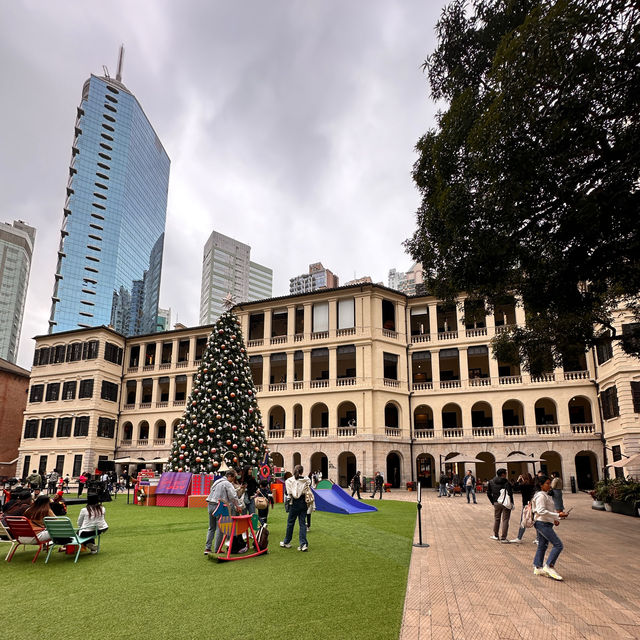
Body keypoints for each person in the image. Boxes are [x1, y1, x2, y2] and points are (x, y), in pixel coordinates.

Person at [532, 474, 568, 580]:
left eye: (549, 483)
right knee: (558, 545)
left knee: (542, 545)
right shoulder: (541, 496)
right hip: (541, 523)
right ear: (541, 485)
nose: (549, 486)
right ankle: (549, 565)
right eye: (547, 484)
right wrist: (557, 515)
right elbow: (540, 511)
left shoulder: (546, 495)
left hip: (545, 523)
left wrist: (554, 519)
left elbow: (548, 510)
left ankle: (538, 567)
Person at [204, 469, 242, 556]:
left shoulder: (217, 481)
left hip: (210, 504)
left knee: (211, 527)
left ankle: (207, 548)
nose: (233, 480)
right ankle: (217, 549)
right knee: (220, 528)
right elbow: (233, 496)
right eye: (234, 477)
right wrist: (238, 506)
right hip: (219, 506)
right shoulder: (227, 483)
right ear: (230, 476)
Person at [280, 464, 310, 552]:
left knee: (290, 523)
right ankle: (303, 544)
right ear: (302, 471)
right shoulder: (306, 479)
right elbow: (309, 485)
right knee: (302, 523)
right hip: (303, 502)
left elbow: (288, 493)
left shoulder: (289, 480)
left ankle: (287, 541)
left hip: (294, 503)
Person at [487, 468, 514, 543]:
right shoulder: (506, 482)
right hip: (506, 503)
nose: (506, 475)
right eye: (505, 473)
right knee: (505, 520)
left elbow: (488, 493)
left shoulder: (491, 481)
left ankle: (495, 535)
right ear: (503, 474)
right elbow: (510, 494)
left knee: (497, 518)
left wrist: (493, 501)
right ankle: (503, 538)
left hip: (496, 502)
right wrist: (512, 503)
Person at [510, 472, 536, 543]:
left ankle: (519, 538)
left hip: (526, 505)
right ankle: (538, 538)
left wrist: (518, 480)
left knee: (523, 521)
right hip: (534, 504)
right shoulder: (533, 485)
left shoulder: (523, 485)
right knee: (536, 521)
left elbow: (514, 488)